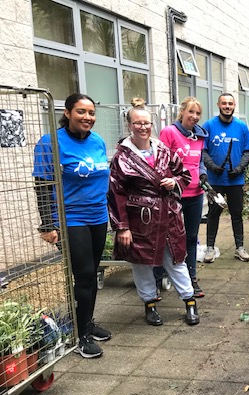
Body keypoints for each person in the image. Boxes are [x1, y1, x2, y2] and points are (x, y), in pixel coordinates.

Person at [33, 93, 112, 358]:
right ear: (67, 113)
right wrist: (48, 224)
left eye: (91, 113)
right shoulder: (51, 143)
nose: (87, 117)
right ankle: (79, 335)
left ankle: (86, 322)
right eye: (81, 111)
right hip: (71, 218)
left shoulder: (98, 141)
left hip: (98, 216)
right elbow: (43, 185)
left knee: (92, 273)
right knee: (85, 274)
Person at [108, 99, 199, 327]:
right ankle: (149, 305)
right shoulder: (122, 157)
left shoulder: (163, 150)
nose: (143, 127)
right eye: (138, 123)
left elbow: (184, 175)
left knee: (176, 260)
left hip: (167, 215)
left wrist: (174, 181)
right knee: (142, 264)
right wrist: (122, 227)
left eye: (147, 123)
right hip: (140, 219)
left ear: (152, 125)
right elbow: (116, 193)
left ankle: (190, 302)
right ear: (129, 125)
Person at [159, 96, 208, 298]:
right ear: (182, 112)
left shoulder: (200, 136)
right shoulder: (169, 132)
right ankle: (158, 275)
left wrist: (203, 174)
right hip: (174, 195)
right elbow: (161, 162)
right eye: (191, 112)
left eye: (198, 113)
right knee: (167, 237)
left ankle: (191, 277)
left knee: (192, 237)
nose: (195, 117)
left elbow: (200, 162)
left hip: (196, 193)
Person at [202, 93, 249, 263]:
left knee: (237, 214)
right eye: (224, 103)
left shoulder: (242, 127)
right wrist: (212, 167)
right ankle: (210, 248)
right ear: (218, 104)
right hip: (215, 182)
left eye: (230, 103)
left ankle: (240, 248)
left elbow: (247, 151)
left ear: (234, 105)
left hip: (235, 181)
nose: (227, 106)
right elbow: (203, 151)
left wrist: (239, 169)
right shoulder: (208, 126)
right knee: (213, 214)